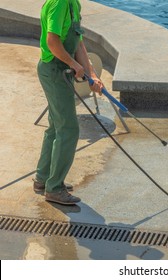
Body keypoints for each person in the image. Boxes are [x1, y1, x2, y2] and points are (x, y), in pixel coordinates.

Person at [33, 0, 103, 205]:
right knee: (69, 128)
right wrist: (73, 64)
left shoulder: (73, 3)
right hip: (54, 70)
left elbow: (78, 42)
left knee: (56, 126)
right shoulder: (60, 2)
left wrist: (92, 74)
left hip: (61, 69)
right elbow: (52, 41)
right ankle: (54, 188)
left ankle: (43, 179)